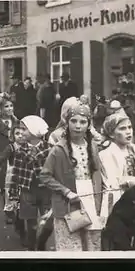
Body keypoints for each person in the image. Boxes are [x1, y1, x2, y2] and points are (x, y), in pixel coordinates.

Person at [39, 102, 104, 251]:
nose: (78, 125)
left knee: (92, 245)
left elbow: (97, 173)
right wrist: (66, 191)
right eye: (73, 121)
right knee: (70, 246)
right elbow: (45, 176)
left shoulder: (92, 146)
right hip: (67, 202)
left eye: (83, 121)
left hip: (90, 198)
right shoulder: (58, 149)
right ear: (67, 123)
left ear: (89, 125)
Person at [3, 116, 51, 250]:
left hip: (45, 190)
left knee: (48, 221)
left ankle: (41, 243)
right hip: (27, 190)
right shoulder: (20, 151)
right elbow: (16, 173)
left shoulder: (49, 148)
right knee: (31, 223)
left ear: (35, 131)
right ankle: (31, 247)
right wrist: (13, 195)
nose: (22, 132)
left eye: (25, 129)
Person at [98, 110, 135, 219]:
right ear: (111, 133)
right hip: (119, 201)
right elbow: (114, 183)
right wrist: (133, 182)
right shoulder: (106, 154)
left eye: (130, 127)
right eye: (122, 128)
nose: (128, 131)